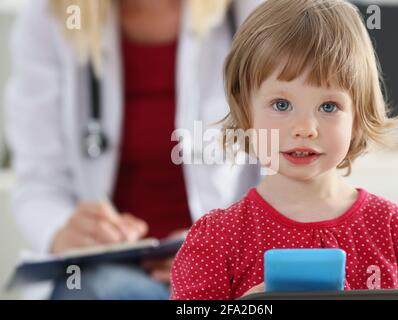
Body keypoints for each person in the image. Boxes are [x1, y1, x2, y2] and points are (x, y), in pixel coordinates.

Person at [170, 0, 398, 300]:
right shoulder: (217, 238)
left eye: (328, 106)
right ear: (245, 111)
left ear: (357, 116)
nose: (305, 128)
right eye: (281, 105)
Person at [5, 0, 262, 299]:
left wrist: (219, 246)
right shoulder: (52, 15)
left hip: (226, 274)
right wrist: (64, 231)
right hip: (105, 274)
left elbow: (291, 173)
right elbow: (39, 182)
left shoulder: (252, 12)